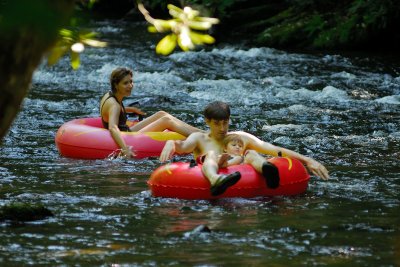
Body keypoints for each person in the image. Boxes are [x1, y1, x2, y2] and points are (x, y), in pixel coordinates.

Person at [160, 101, 329, 196]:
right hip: (212, 172)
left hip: (241, 179)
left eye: (225, 122)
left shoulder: (239, 138)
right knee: (211, 154)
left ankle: (267, 170)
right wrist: (171, 143)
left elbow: (272, 148)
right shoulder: (199, 138)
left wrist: (307, 160)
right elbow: (182, 147)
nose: (222, 128)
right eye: (217, 123)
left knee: (251, 153)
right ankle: (215, 179)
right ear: (207, 122)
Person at [100, 67, 202, 158]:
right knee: (166, 120)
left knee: (161, 114)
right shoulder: (114, 106)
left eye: (131, 82)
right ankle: (200, 138)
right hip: (127, 138)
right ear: (116, 85)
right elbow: (112, 128)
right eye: (125, 83)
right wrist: (125, 148)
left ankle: (200, 132)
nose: (130, 86)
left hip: (127, 131)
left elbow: (110, 110)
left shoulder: (109, 95)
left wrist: (129, 109)